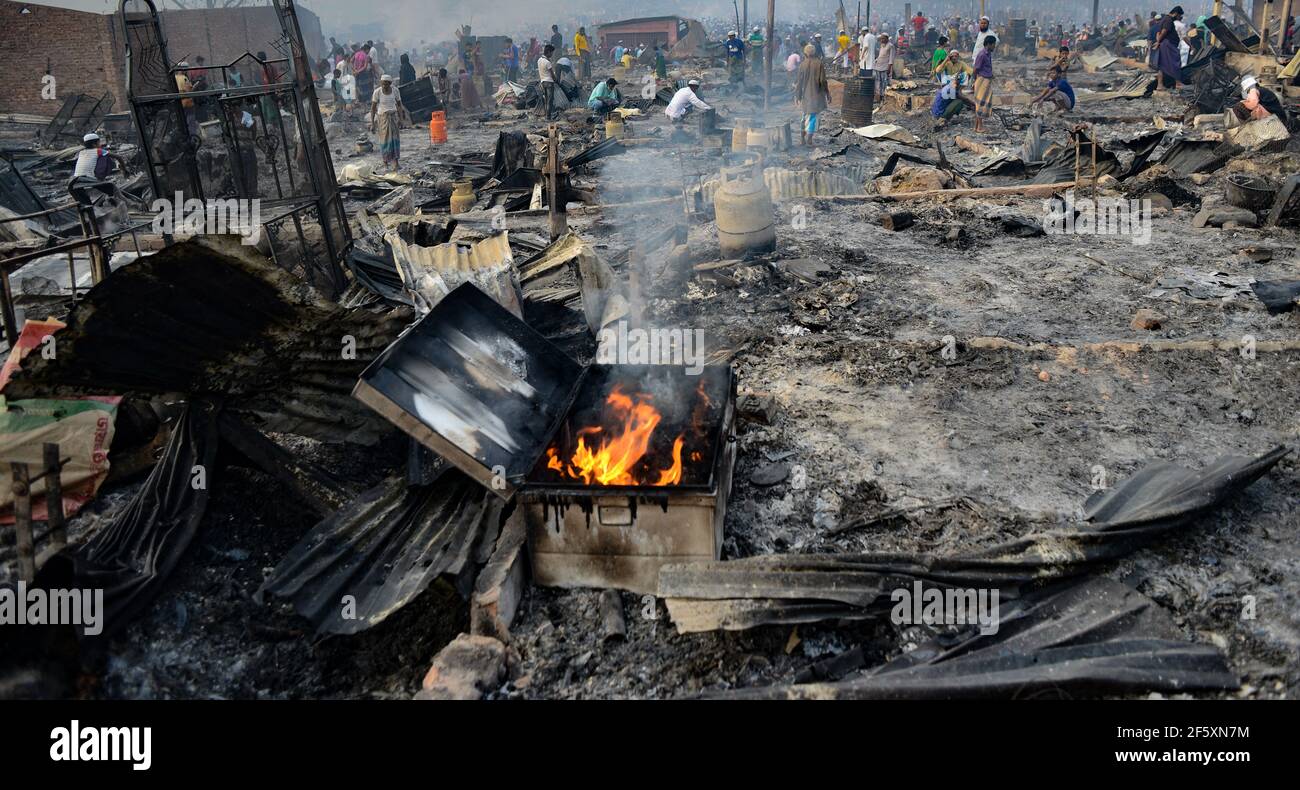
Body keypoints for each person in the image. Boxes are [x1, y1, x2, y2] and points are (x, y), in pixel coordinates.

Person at [794, 44, 830, 146]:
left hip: (805, 95)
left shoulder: (802, 64)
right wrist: (827, 93)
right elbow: (823, 81)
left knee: (805, 115)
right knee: (813, 117)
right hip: (816, 95)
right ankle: (809, 139)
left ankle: (802, 138)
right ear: (814, 52)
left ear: (805, 53)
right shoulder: (819, 64)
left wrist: (797, 95)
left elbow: (799, 82)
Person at [370, 75, 409, 169]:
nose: (384, 86)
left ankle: (396, 161)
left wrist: (401, 119)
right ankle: (385, 162)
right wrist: (372, 123)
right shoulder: (377, 92)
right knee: (385, 140)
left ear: (390, 84)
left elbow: (399, 105)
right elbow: (373, 108)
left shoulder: (395, 91)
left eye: (386, 84)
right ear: (381, 83)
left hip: (393, 117)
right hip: (383, 118)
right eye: (382, 84)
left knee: (395, 140)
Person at [1154, 7, 1184, 91]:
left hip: (1165, 44)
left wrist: (1158, 41)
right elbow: (1163, 32)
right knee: (1175, 61)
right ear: (1176, 13)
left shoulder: (1164, 19)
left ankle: (1160, 85)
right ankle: (1178, 83)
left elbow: (1158, 33)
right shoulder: (1168, 20)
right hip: (1168, 44)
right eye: (1179, 16)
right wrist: (1158, 42)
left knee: (1162, 65)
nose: (1179, 18)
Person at [973, 34, 996, 133]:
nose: (994, 46)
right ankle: (980, 127)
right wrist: (975, 81)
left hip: (986, 79)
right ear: (989, 44)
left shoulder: (988, 53)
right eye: (993, 44)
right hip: (982, 80)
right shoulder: (982, 54)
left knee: (981, 103)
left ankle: (976, 126)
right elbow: (975, 69)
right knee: (981, 104)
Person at [537, 44, 557, 120]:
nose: (552, 54)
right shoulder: (547, 62)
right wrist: (556, 80)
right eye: (551, 53)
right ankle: (548, 117)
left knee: (545, 99)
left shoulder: (539, 60)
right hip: (549, 82)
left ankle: (546, 115)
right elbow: (552, 74)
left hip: (543, 82)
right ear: (548, 52)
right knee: (550, 100)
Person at [873, 34, 894, 99]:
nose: (881, 40)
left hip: (885, 67)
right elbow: (880, 55)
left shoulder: (891, 46)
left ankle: (884, 96)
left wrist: (889, 67)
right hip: (878, 66)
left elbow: (891, 58)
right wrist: (875, 60)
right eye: (881, 39)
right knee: (878, 82)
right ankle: (879, 95)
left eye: (883, 39)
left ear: (887, 39)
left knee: (885, 82)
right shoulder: (882, 45)